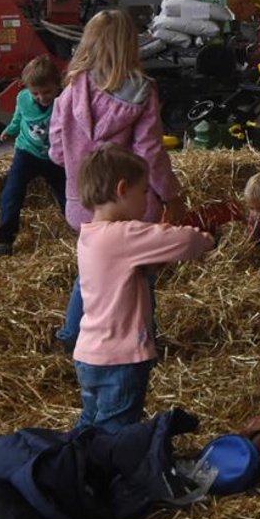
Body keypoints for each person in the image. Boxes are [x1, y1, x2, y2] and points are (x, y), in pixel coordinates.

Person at [49, 10, 186, 351]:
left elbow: (54, 150)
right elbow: (150, 152)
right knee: (139, 271)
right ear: (129, 45)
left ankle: (71, 334)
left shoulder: (69, 93)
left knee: (92, 269)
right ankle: (144, 337)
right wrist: (171, 194)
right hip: (130, 206)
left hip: (84, 204)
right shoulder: (141, 92)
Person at [71, 145, 213, 431]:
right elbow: (188, 242)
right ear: (123, 189)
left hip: (89, 354)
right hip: (121, 358)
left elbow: (123, 274)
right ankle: (103, 474)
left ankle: (72, 465)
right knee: (115, 434)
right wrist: (206, 238)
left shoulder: (90, 235)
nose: (148, 200)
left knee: (89, 425)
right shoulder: (124, 234)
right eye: (145, 192)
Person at [0, 56, 66, 257]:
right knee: (12, 191)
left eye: (47, 91)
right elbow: (18, 117)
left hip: (55, 156)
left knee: (67, 195)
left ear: (58, 85)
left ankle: (81, 231)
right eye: (36, 93)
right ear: (27, 88)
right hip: (27, 152)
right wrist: (10, 130)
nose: (42, 97)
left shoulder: (64, 100)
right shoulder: (23, 97)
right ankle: (4, 240)